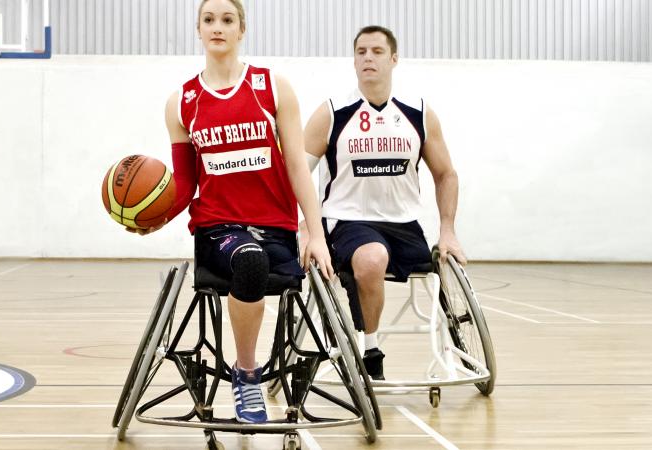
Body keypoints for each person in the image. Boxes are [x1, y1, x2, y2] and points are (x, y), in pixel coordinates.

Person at [128, 0, 333, 424]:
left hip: (275, 224)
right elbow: (184, 185)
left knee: (260, 259)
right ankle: (246, 374)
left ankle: (249, 371)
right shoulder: (183, 102)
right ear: (198, 30)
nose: (217, 27)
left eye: (227, 20)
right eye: (209, 20)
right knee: (251, 263)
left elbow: (297, 164)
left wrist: (315, 233)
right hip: (218, 226)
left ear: (242, 30)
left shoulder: (272, 86)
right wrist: (152, 216)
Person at [300, 25, 466, 380]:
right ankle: (371, 350)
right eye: (361, 52)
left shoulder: (418, 113)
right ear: (354, 60)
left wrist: (448, 230)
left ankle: (451, 349)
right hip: (347, 221)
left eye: (376, 52)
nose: (368, 59)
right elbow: (295, 175)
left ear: (393, 59)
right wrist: (304, 228)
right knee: (372, 258)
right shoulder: (332, 113)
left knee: (401, 257)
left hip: (404, 224)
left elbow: (446, 175)